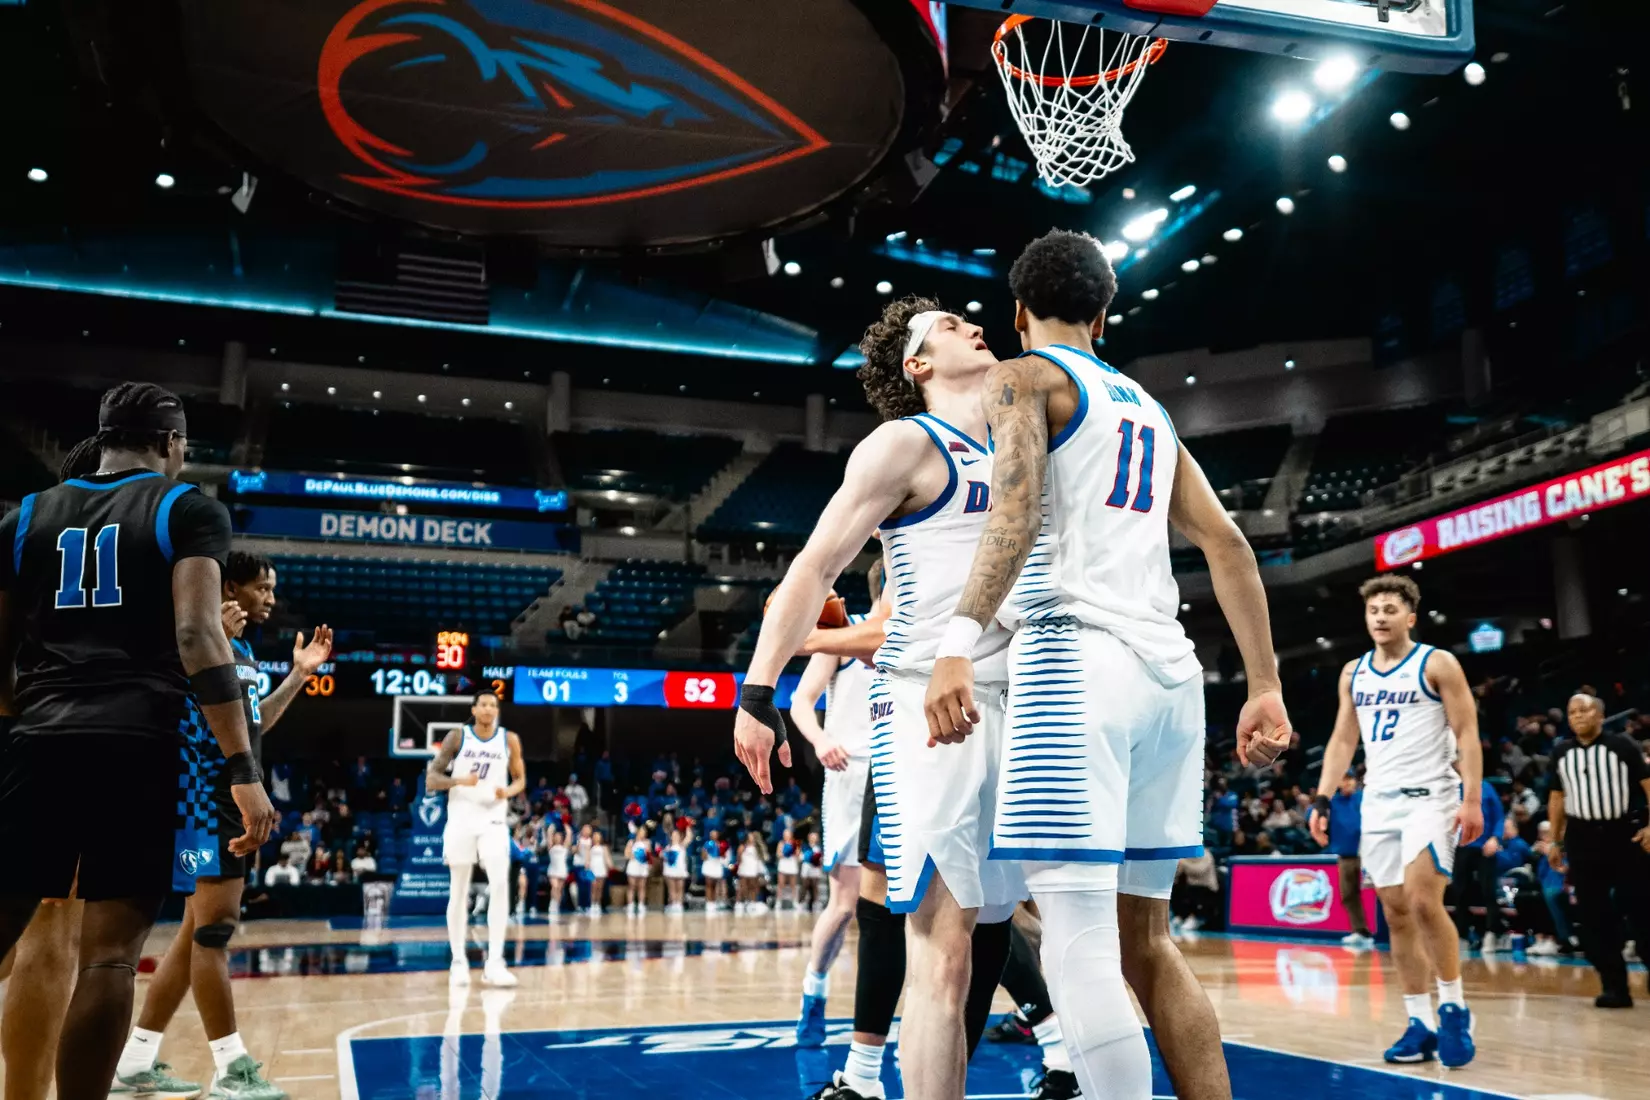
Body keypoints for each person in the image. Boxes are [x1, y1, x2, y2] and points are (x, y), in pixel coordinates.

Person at [923, 230, 1290, 1100]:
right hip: (1171, 677)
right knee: (1148, 942)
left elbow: (1013, 512)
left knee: (1079, 941)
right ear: (1103, 312)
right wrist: (1266, 685)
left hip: (1076, 665)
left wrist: (953, 645)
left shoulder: (1024, 375)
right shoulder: (1150, 411)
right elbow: (1228, 546)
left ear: (1018, 313)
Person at [738, 295, 1027, 1100]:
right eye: (947, 325)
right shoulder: (905, 442)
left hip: (1019, 703)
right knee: (942, 947)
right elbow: (813, 568)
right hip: (926, 712)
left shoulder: (1018, 443)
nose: (975, 324)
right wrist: (757, 694)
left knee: (993, 939)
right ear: (917, 364)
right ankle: (871, 1076)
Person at [0, 382, 277, 1100]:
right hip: (137, 742)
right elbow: (196, 633)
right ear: (171, 443)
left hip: (36, 738)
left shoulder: (24, 515)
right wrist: (241, 767)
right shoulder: (186, 509)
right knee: (111, 959)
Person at [115, 550, 332, 1100]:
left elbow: (255, 727)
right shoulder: (197, 640)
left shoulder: (242, 649)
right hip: (201, 797)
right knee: (215, 928)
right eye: (263, 587)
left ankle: (134, 1062)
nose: (272, 598)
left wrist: (300, 676)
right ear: (230, 586)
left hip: (223, 798)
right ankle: (231, 1068)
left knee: (195, 934)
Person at [1309, 575, 1483, 1068]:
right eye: (1373, 610)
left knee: (1424, 900)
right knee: (1395, 913)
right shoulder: (1354, 672)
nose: (1380, 617)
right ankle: (1418, 1021)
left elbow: (1467, 733)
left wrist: (1472, 800)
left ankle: (1453, 1006)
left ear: (1410, 617)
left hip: (1432, 797)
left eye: (1390, 609)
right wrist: (1322, 799)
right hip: (1379, 802)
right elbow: (1344, 740)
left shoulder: (1437, 663)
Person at [790, 570, 888, 1044]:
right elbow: (800, 702)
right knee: (845, 904)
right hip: (850, 771)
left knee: (906, 910)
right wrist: (822, 739)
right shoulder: (846, 632)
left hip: (902, 768)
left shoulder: (921, 628)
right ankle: (814, 991)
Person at [1546, 693, 1650, 1007]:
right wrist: (1555, 840)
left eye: (1584, 710)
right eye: (1572, 711)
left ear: (1600, 715)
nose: (1577, 716)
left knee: (1642, 908)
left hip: (1623, 834)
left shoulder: (1623, 745)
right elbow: (1557, 797)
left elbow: (1648, 785)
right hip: (1582, 837)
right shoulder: (1561, 752)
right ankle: (1614, 987)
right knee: (1592, 917)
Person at [426, 691, 525, 987]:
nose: (488, 708)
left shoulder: (509, 739)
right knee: (458, 889)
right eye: (483, 704)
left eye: (493, 705)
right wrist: (459, 780)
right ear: (474, 709)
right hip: (461, 819)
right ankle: (458, 961)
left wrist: (507, 792)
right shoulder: (458, 737)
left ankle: (495, 963)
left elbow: (520, 778)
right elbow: (432, 779)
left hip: (493, 819)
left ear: (496, 710)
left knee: (499, 883)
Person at [1451, 778, 1508, 952]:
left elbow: (1499, 816)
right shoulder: (1452, 787)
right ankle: (1462, 935)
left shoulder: (1487, 787)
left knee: (1488, 890)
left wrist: (1495, 838)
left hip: (1485, 846)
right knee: (1459, 892)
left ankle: (1493, 933)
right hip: (1460, 846)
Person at [1325, 770, 1374, 947]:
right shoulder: (1331, 802)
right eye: (1344, 780)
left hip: (1368, 853)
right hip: (1345, 856)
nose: (1348, 783)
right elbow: (1311, 816)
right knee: (1348, 895)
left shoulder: (1364, 797)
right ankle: (1360, 931)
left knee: (1384, 893)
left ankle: (1395, 931)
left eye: (1350, 779)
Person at [736, 833, 768, 914]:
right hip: (744, 868)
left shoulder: (757, 847)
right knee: (743, 886)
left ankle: (753, 902)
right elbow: (739, 858)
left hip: (753, 869)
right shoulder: (742, 847)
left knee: (753, 886)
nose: (752, 838)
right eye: (750, 836)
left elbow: (761, 858)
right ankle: (741, 902)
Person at [625, 826, 652, 918]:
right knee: (631, 886)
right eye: (641, 831)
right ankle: (630, 905)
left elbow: (648, 855)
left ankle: (641, 905)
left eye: (644, 832)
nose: (642, 833)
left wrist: (647, 862)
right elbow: (626, 854)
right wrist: (633, 855)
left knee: (642, 886)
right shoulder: (632, 842)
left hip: (642, 866)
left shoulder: (647, 842)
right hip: (633, 865)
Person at [663, 826, 690, 913]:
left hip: (680, 870)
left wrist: (687, 825)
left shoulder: (682, 846)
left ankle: (679, 905)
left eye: (677, 835)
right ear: (671, 837)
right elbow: (664, 858)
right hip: (670, 871)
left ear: (680, 836)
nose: (675, 836)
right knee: (672, 889)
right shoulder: (668, 848)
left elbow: (689, 837)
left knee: (680, 888)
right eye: (673, 835)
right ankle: (673, 904)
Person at [546, 825, 570, 919]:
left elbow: (569, 836)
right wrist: (550, 829)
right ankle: (552, 903)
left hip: (562, 869)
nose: (557, 838)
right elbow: (548, 837)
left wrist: (567, 828)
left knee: (559, 889)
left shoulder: (564, 848)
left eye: (559, 837)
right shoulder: (551, 847)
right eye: (556, 837)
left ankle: (557, 905)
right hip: (553, 869)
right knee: (554, 886)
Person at [702, 830, 728, 913]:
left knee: (715, 885)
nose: (713, 835)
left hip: (717, 864)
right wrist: (705, 851)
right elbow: (703, 856)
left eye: (715, 834)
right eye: (711, 834)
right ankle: (709, 902)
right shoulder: (707, 844)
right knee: (709, 885)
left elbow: (723, 856)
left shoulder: (721, 844)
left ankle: (714, 902)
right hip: (709, 864)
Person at [587, 828, 612, 914]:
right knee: (593, 887)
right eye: (595, 836)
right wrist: (587, 868)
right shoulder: (590, 847)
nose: (597, 837)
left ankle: (598, 904)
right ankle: (592, 904)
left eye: (598, 836)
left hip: (601, 869)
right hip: (592, 869)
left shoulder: (604, 847)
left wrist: (610, 866)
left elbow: (607, 858)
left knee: (600, 888)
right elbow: (588, 859)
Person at [777, 828, 802, 912]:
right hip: (783, 865)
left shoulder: (795, 843)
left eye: (788, 834)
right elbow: (778, 854)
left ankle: (795, 902)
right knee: (781, 884)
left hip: (792, 865)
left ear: (791, 835)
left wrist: (794, 852)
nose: (786, 836)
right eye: (785, 834)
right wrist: (785, 853)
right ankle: (778, 902)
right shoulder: (781, 843)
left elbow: (798, 855)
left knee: (793, 885)